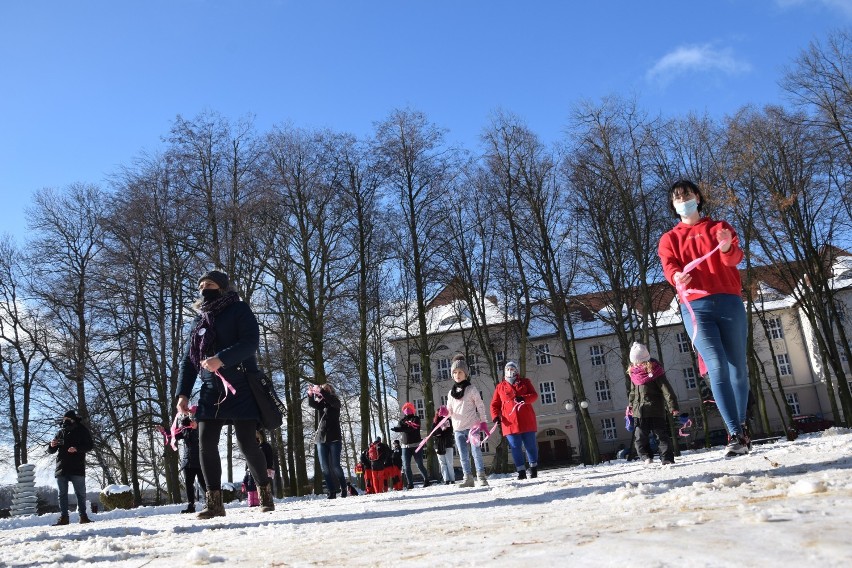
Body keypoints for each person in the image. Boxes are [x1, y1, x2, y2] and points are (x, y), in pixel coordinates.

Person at [658, 179, 750, 458]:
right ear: (673, 206)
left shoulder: (718, 227)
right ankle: (734, 432)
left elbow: (734, 259)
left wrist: (725, 247)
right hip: (695, 308)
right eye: (677, 198)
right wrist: (676, 277)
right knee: (716, 366)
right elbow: (669, 266)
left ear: (697, 197)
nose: (682, 199)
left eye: (686, 194)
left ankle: (743, 426)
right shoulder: (669, 238)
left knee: (738, 369)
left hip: (729, 302)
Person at [176, 270, 274, 518]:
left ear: (222, 287)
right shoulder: (198, 321)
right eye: (200, 285)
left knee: (247, 443)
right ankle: (214, 504)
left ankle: (265, 493)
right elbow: (189, 361)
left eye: (209, 283)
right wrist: (183, 395)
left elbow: (250, 343)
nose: (203, 288)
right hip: (210, 388)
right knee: (205, 442)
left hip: (241, 385)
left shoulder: (239, 310)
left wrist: (222, 358)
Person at [627, 342, 681, 466]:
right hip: (639, 411)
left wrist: (673, 406)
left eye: (638, 362)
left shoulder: (655, 371)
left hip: (655, 409)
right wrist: (630, 406)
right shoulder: (634, 374)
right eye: (634, 362)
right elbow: (633, 392)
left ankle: (666, 458)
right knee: (640, 436)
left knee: (661, 435)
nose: (636, 364)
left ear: (644, 360)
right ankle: (646, 456)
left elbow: (666, 390)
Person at [490, 361, 540, 480]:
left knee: (530, 445)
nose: (510, 371)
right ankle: (521, 471)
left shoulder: (525, 382)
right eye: (508, 368)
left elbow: (534, 395)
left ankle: (533, 468)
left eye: (512, 369)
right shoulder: (500, 387)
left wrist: (523, 398)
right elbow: (494, 404)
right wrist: (496, 416)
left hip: (526, 420)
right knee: (515, 446)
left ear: (516, 371)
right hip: (509, 423)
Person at [446, 355, 490, 487]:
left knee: (476, 452)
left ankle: (481, 476)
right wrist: (445, 413)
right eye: (455, 372)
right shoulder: (450, 393)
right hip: (458, 428)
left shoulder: (471, 389)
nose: (457, 375)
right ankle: (468, 478)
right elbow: (450, 410)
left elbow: (480, 405)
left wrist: (483, 421)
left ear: (465, 373)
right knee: (463, 455)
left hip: (472, 427)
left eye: (460, 372)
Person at [48, 409, 94, 525]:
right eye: (64, 419)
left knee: (80, 493)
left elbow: (89, 446)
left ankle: (83, 516)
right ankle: (64, 517)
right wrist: (51, 445)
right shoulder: (60, 432)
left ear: (73, 420)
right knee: (62, 494)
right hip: (61, 467)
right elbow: (51, 450)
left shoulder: (82, 430)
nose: (65, 421)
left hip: (77, 466)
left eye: (67, 419)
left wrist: (77, 449)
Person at [307, 382, 348, 499]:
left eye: (326, 389)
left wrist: (322, 391)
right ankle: (332, 491)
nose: (324, 390)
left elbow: (331, 400)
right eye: (323, 389)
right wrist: (310, 394)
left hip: (334, 438)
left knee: (335, 466)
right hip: (321, 439)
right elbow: (312, 404)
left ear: (331, 390)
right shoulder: (322, 404)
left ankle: (344, 487)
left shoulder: (335, 402)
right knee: (324, 467)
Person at [391, 402, 431, 489]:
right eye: (406, 408)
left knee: (419, 464)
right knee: (406, 465)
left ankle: (426, 480)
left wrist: (401, 428)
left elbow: (411, 428)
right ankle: (410, 483)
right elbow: (402, 427)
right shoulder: (402, 420)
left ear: (413, 410)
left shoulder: (416, 418)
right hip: (405, 447)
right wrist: (400, 427)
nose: (407, 410)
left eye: (409, 408)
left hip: (416, 446)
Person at [173, 418, 206, 513]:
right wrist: (164, 431)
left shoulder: (199, 429)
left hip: (200, 462)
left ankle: (210, 502)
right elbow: (173, 435)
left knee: (203, 483)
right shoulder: (185, 431)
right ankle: (191, 505)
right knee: (188, 484)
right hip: (188, 462)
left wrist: (195, 428)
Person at [432, 406, 456, 484]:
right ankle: (446, 479)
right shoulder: (435, 422)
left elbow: (450, 431)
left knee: (449, 462)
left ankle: (452, 479)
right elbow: (433, 433)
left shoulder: (448, 420)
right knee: (443, 463)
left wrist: (443, 430)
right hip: (439, 444)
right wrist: (440, 430)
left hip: (447, 443)